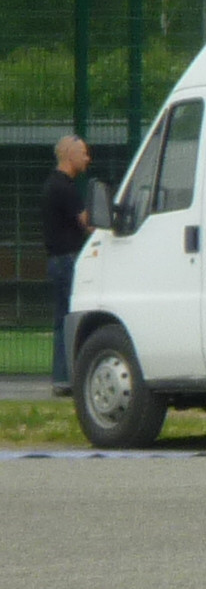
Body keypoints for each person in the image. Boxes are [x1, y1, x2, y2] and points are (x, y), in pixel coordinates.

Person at [38, 133, 98, 395]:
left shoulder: (53, 185)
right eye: (83, 153)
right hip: (67, 261)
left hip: (57, 260)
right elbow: (88, 224)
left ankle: (62, 376)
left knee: (62, 319)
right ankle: (65, 379)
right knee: (68, 320)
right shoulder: (65, 188)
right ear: (70, 155)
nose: (88, 158)